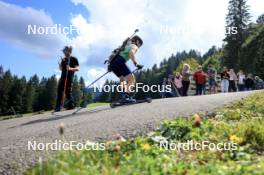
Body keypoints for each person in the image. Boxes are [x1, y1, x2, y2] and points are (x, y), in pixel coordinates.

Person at [109, 35, 143, 102]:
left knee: (123, 79)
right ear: (137, 41)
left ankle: (123, 96)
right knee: (132, 79)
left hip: (113, 63)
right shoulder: (134, 46)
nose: (139, 47)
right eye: (140, 45)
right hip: (120, 61)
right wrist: (135, 63)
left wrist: (110, 64)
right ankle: (125, 97)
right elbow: (131, 52)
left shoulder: (125, 46)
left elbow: (115, 52)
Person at [55, 46, 79, 112]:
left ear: (69, 51)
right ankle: (57, 108)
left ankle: (71, 106)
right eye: (63, 51)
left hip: (69, 78)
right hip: (62, 78)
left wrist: (70, 68)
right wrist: (60, 65)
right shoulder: (64, 59)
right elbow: (61, 69)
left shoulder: (74, 59)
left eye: (65, 51)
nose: (63, 52)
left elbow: (77, 68)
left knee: (67, 92)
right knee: (59, 92)